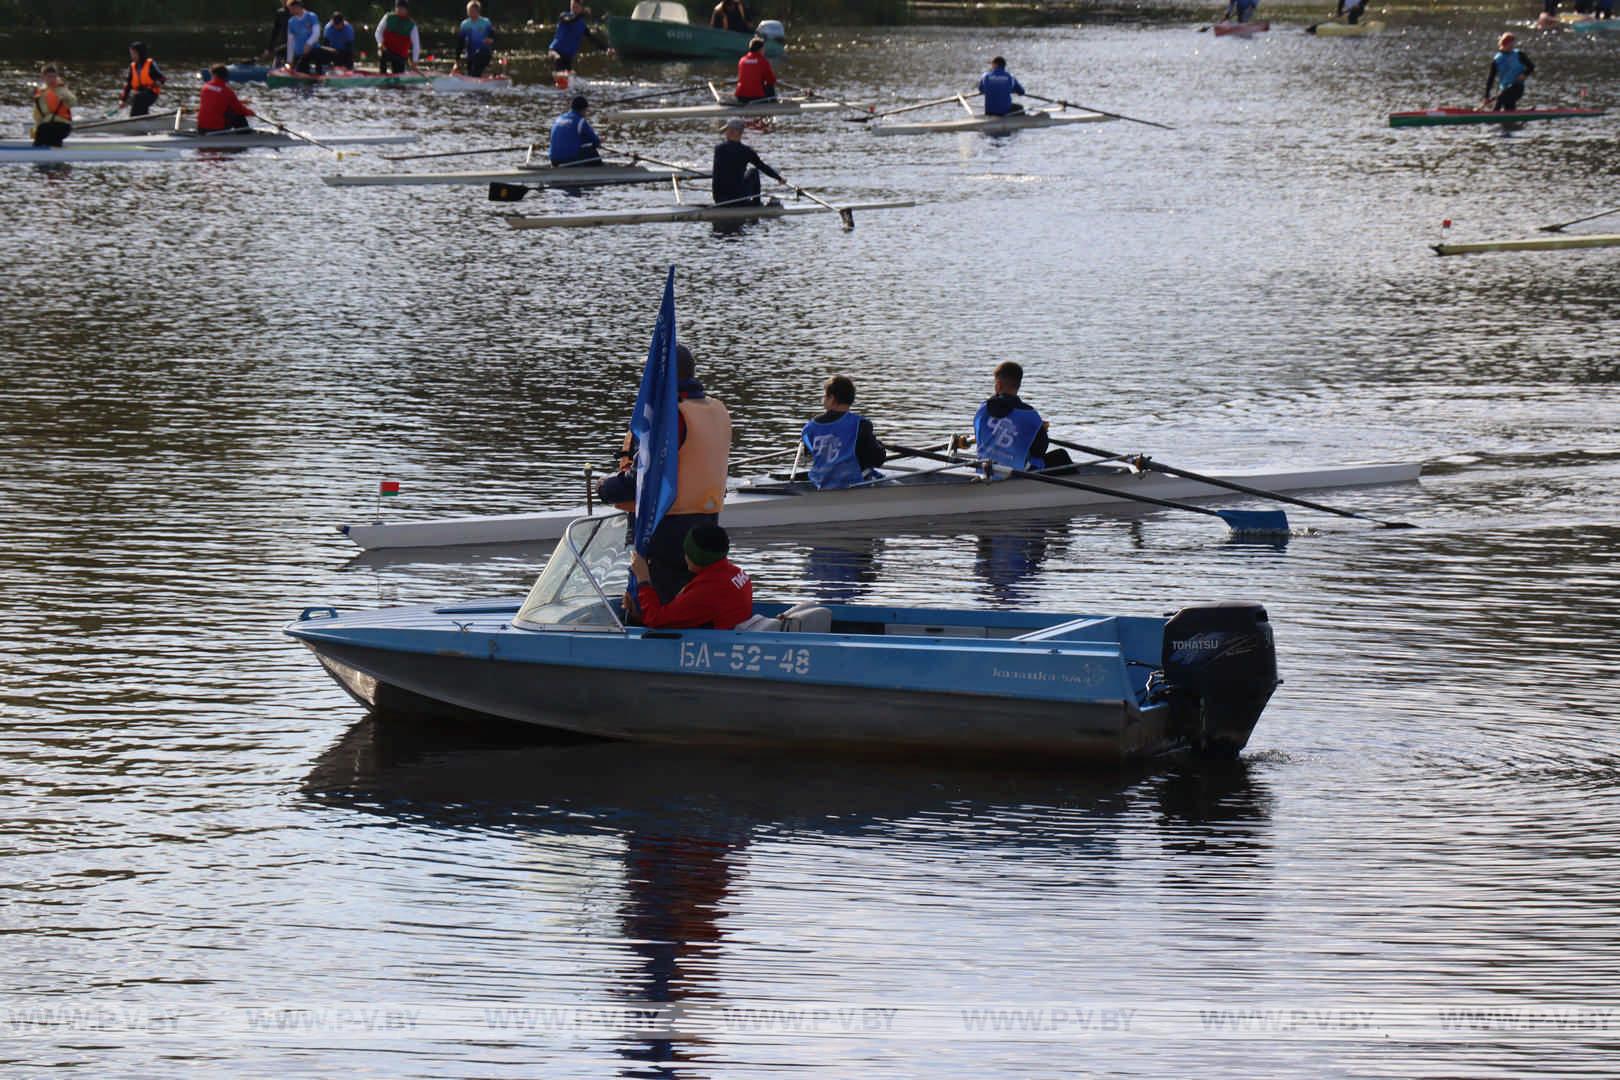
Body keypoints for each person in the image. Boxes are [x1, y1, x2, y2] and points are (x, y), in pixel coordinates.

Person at [597, 344, 733, 603]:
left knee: (656, 603)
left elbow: (643, 480)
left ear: (660, 376)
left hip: (666, 529)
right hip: (708, 524)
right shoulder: (716, 409)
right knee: (693, 599)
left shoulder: (671, 417)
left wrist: (605, 487)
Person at [629, 525, 752, 631]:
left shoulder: (707, 590)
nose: (685, 556)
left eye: (687, 551)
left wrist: (643, 579)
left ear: (696, 556)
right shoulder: (737, 573)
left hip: (713, 645)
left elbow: (655, 620)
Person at [972, 361, 1072, 475]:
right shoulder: (1030, 415)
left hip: (985, 470)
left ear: (998, 385)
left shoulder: (982, 409)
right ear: (1018, 385)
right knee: (1061, 456)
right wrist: (1039, 429)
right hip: (1016, 474)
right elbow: (1039, 451)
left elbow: (979, 436)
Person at [800, 375, 887, 490]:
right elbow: (877, 460)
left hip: (820, 485)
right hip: (853, 485)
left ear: (832, 398)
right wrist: (879, 446)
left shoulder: (809, 428)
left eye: (825, 396)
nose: (823, 399)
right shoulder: (861, 424)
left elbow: (808, 454)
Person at [712, 116, 783, 206]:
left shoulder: (718, 149)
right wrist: (779, 178)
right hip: (738, 198)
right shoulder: (747, 151)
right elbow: (762, 167)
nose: (726, 132)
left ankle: (745, 202)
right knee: (753, 172)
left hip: (719, 199)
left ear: (735, 132)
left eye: (727, 130)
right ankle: (756, 204)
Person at [548, 0, 611, 79]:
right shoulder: (564, 16)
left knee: (570, 75)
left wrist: (606, 48)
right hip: (555, 52)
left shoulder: (582, 25)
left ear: (581, 8)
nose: (573, 9)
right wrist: (582, 14)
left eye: (576, 7)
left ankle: (565, 80)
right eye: (572, 7)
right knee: (558, 59)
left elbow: (593, 39)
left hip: (567, 58)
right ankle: (557, 77)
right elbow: (570, 20)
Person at [197, 64, 257, 132]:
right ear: (226, 76)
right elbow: (239, 109)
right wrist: (250, 112)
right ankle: (246, 135)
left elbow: (218, 101)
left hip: (201, 127)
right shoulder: (227, 91)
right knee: (238, 115)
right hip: (216, 128)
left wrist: (241, 102)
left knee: (228, 110)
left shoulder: (205, 87)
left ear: (213, 74)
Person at [1484, 33, 1534, 112]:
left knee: (1500, 99)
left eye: (1513, 44)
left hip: (1517, 87)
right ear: (1504, 44)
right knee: (1509, 110)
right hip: (1504, 88)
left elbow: (1531, 66)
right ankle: (1516, 116)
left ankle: (1492, 118)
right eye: (1510, 44)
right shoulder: (1497, 59)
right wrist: (1486, 96)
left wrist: (1524, 74)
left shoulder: (1519, 54)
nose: (1512, 46)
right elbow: (1491, 78)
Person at [548, 95, 601, 165]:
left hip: (554, 160)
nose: (586, 114)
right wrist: (597, 142)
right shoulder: (580, 121)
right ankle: (600, 173)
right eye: (586, 111)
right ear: (583, 109)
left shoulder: (559, 118)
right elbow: (596, 142)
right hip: (568, 160)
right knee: (592, 152)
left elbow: (570, 137)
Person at [31, 65, 74, 149]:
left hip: (63, 126)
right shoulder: (40, 93)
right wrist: (35, 130)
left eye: (54, 76)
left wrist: (65, 97)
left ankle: (55, 154)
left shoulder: (61, 89)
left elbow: (73, 101)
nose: (52, 79)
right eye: (49, 77)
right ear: (43, 77)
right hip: (46, 126)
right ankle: (41, 152)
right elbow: (37, 116)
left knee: (47, 131)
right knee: (41, 131)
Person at [120, 42, 165, 117]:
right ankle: (141, 119)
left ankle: (136, 120)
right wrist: (123, 100)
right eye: (131, 53)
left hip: (151, 94)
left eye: (134, 53)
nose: (132, 56)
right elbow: (128, 85)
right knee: (137, 99)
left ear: (140, 53)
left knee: (138, 98)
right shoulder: (132, 66)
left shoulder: (150, 64)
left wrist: (159, 82)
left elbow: (162, 78)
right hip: (139, 94)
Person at [375, 1, 422, 74]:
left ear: (406, 10)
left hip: (400, 55)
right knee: (382, 55)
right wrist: (380, 43)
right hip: (386, 50)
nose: (399, 10)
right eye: (398, 8)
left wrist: (414, 61)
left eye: (402, 8)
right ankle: (382, 75)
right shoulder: (388, 17)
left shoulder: (412, 25)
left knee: (398, 72)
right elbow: (378, 32)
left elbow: (416, 45)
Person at [456, 1, 497, 77]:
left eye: (472, 11)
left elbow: (493, 35)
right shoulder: (465, 24)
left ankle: (481, 79)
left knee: (476, 68)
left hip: (484, 52)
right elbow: (460, 43)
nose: (470, 13)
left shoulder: (485, 22)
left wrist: (491, 39)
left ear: (478, 11)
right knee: (471, 73)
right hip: (471, 53)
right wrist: (457, 60)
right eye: (469, 11)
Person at [285, 0, 326, 73]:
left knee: (318, 59)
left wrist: (308, 44)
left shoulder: (311, 16)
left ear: (297, 7)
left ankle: (320, 76)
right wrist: (289, 60)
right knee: (299, 70)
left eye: (291, 8)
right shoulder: (291, 22)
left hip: (313, 50)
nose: (290, 10)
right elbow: (290, 41)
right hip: (300, 53)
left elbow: (316, 33)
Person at [734, 37, 776, 102]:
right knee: (770, 86)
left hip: (741, 96)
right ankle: (773, 105)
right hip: (757, 97)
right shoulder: (763, 61)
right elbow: (771, 80)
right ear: (760, 49)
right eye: (763, 49)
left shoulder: (742, 60)